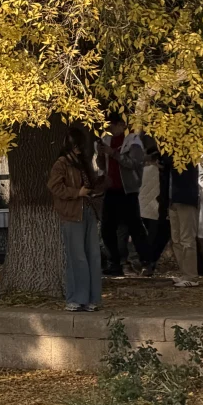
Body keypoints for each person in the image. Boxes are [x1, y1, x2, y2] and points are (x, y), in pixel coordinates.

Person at [47, 129, 104, 312]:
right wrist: (76, 193)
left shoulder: (82, 163)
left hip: (87, 210)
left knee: (93, 255)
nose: (79, 148)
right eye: (76, 145)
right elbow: (55, 187)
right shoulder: (62, 163)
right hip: (72, 213)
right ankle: (76, 298)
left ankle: (92, 298)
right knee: (77, 256)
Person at [101, 114, 152, 276]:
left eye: (113, 126)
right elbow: (102, 165)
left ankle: (146, 261)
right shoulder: (106, 141)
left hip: (128, 191)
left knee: (135, 227)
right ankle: (115, 261)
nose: (111, 130)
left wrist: (114, 154)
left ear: (122, 125)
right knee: (107, 228)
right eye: (108, 127)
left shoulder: (133, 141)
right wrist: (102, 154)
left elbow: (134, 163)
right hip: (111, 189)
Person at [166, 157, 200, 287]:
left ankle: (192, 276)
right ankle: (185, 274)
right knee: (176, 240)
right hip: (172, 199)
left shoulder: (188, 153)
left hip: (185, 198)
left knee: (187, 239)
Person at [138, 140, 170, 271]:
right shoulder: (163, 173)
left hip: (144, 208)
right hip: (156, 208)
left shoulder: (142, 171)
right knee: (160, 236)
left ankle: (147, 262)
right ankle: (149, 262)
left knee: (150, 237)